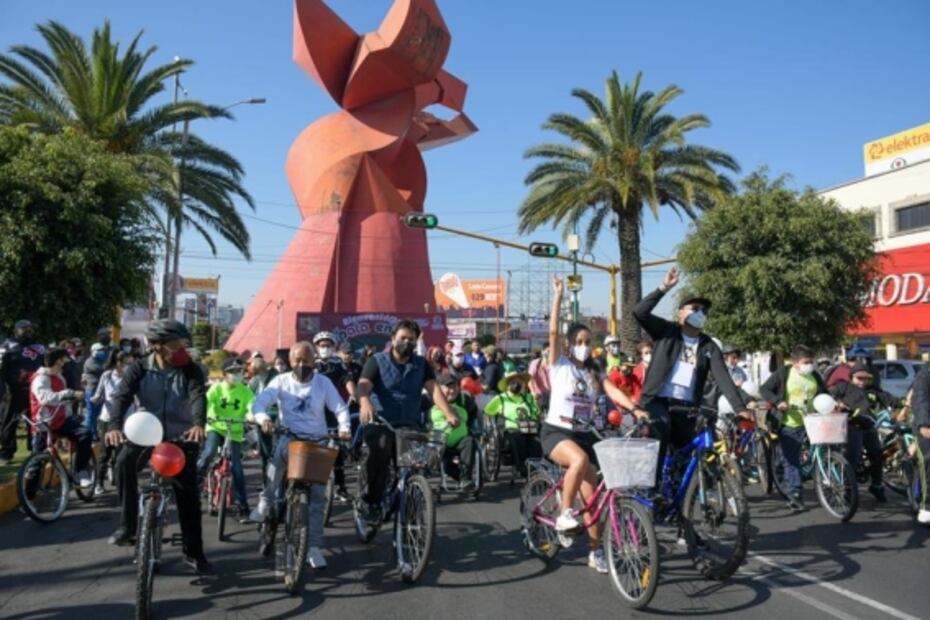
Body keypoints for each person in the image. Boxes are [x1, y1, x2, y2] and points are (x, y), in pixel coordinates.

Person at [544, 276, 644, 574]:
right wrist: (559, 296)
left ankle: (594, 551)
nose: (583, 347)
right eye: (578, 342)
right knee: (579, 459)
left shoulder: (594, 370)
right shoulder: (559, 364)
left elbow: (613, 391)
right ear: (568, 345)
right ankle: (564, 513)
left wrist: (634, 408)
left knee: (595, 500)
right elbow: (551, 331)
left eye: (588, 342)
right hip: (557, 432)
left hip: (585, 433)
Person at [105, 319, 213, 575]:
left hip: (181, 436)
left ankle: (194, 553)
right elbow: (121, 397)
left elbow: (198, 396)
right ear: (157, 347)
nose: (181, 350)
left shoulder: (191, 369)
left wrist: (198, 424)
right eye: (175, 345)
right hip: (145, 433)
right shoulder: (139, 368)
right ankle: (128, 526)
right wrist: (113, 426)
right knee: (122, 463)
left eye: (183, 345)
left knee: (188, 494)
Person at [634, 267, 748, 483]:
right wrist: (664, 288)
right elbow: (640, 312)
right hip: (658, 401)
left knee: (687, 454)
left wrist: (740, 407)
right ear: (680, 313)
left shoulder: (708, 345)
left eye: (704, 311)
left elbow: (723, 377)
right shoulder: (666, 331)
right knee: (662, 432)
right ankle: (653, 492)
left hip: (686, 406)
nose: (700, 313)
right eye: (694, 308)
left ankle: (681, 506)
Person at [249, 342, 351, 568]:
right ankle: (265, 502)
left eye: (306, 360)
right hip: (290, 437)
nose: (302, 365)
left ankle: (313, 547)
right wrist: (263, 418)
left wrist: (344, 427)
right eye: (297, 361)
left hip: (317, 442)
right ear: (290, 362)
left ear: (314, 361)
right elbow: (260, 402)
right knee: (276, 463)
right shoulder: (281, 381)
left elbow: (340, 408)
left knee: (316, 498)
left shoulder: (323, 383)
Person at [355, 320, 459, 522]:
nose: (406, 342)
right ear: (393, 339)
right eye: (402, 338)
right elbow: (363, 385)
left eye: (411, 339)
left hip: (409, 423)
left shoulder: (421, 364)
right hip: (381, 422)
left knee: (417, 463)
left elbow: (433, 389)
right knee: (381, 449)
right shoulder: (376, 361)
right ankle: (370, 502)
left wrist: (449, 413)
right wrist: (365, 401)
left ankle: (410, 502)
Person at [760, 344, 826, 510]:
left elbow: (824, 393)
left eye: (812, 361)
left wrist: (833, 403)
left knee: (826, 449)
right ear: (795, 362)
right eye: (806, 361)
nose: (810, 364)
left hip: (812, 420)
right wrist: (778, 402)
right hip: (790, 422)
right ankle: (795, 494)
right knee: (792, 459)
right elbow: (764, 389)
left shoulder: (814, 375)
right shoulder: (784, 373)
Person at [829, 363, 899, 503]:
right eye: (859, 378)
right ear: (851, 377)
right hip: (851, 426)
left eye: (866, 378)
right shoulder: (844, 387)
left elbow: (889, 399)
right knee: (852, 459)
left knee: (877, 455)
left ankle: (877, 485)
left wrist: (904, 403)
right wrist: (837, 403)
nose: (862, 381)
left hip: (869, 426)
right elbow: (829, 396)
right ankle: (848, 490)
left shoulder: (873, 390)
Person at [198, 358, 255, 516]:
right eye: (233, 372)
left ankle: (242, 504)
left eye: (240, 371)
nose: (237, 375)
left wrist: (251, 415)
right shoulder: (216, 389)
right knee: (209, 452)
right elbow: (207, 403)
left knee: (236, 467)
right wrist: (207, 416)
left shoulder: (246, 390)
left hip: (234, 431)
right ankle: (198, 477)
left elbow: (251, 406)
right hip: (216, 427)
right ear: (224, 374)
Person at [29, 348, 93, 487]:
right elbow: (45, 398)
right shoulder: (41, 378)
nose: (65, 363)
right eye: (64, 359)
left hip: (61, 420)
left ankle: (80, 471)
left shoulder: (59, 377)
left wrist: (72, 400)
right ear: (58, 361)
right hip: (43, 424)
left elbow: (64, 403)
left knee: (85, 434)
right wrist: (69, 393)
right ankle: (28, 499)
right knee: (35, 464)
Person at [313, 331, 353, 503]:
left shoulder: (338, 364)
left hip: (334, 412)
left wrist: (354, 394)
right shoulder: (310, 364)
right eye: (322, 345)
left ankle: (341, 487)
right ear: (316, 347)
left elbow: (347, 380)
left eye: (328, 345)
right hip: (314, 412)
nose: (325, 348)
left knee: (337, 452)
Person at [0, 320, 47, 464]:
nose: (28, 332)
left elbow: (47, 366)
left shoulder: (39, 347)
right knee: (8, 422)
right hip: (12, 392)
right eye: (24, 329)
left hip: (34, 392)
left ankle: (35, 450)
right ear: (16, 330)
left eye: (30, 329)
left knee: (35, 421)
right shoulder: (6, 346)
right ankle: (7, 452)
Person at [483, 370, 542, 478]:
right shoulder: (501, 398)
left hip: (529, 426)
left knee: (537, 441)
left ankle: (536, 468)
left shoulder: (528, 397)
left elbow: (536, 413)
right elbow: (487, 412)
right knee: (518, 438)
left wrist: (537, 403)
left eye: (518, 381)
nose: (516, 384)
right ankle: (523, 469)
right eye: (512, 382)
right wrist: (489, 428)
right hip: (511, 428)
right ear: (507, 385)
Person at [91, 351, 134, 494]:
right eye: (128, 363)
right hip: (108, 420)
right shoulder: (107, 376)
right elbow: (98, 395)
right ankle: (98, 483)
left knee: (122, 453)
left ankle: (120, 482)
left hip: (127, 420)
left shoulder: (132, 377)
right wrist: (92, 399)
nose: (130, 366)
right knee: (105, 453)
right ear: (118, 363)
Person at [431, 373, 476, 484]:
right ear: (439, 388)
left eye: (455, 387)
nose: (452, 391)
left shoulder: (465, 399)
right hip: (440, 440)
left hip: (460, 439)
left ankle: (466, 476)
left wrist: (467, 427)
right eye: (448, 387)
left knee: (470, 441)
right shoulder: (431, 398)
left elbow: (473, 412)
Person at [249, 353, 279, 481]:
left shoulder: (275, 376)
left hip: (274, 412)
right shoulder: (255, 380)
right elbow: (249, 396)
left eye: (258, 372)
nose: (257, 375)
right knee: (264, 451)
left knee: (275, 449)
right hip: (260, 415)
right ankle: (265, 479)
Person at [909, 364, 930, 524]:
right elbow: (921, 399)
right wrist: (924, 424)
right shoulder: (924, 376)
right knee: (928, 461)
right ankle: (926, 506)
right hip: (926, 424)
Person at [81, 342, 109, 440]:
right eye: (99, 350)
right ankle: (87, 434)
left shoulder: (100, 361)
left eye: (103, 350)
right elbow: (100, 370)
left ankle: (94, 433)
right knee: (90, 414)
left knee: (96, 414)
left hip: (99, 391)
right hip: (91, 390)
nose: (102, 352)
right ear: (93, 351)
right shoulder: (89, 362)